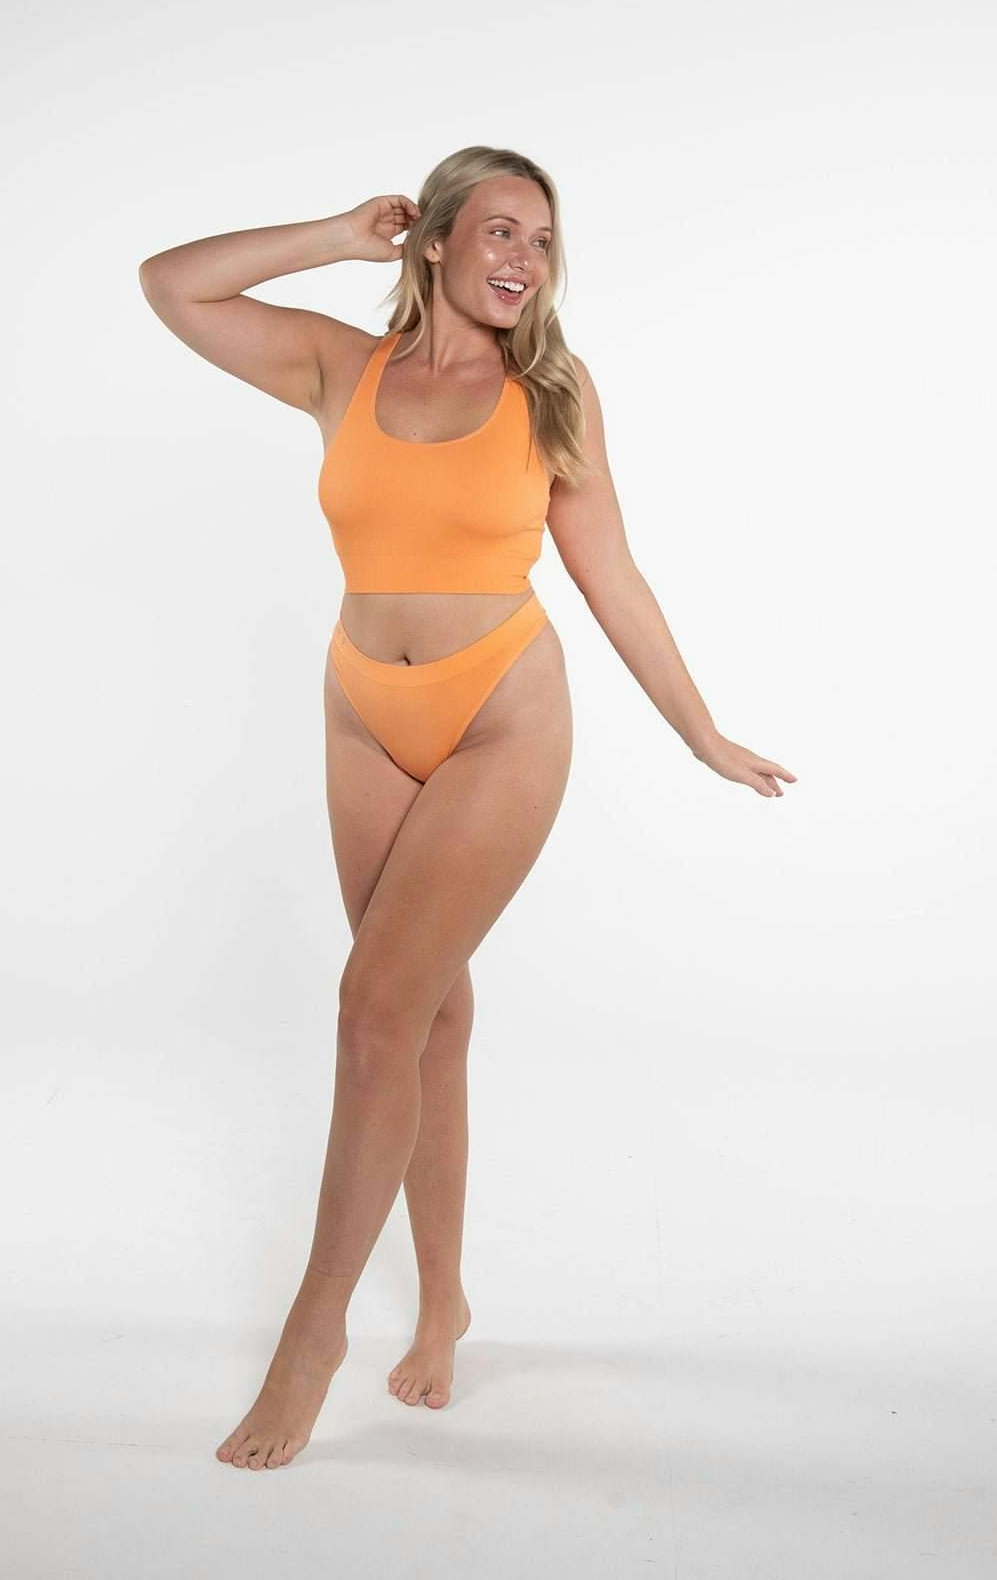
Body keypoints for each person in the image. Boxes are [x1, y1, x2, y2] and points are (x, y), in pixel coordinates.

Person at [138, 145, 797, 1471]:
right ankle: (442, 1304)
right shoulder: (341, 366)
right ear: (434, 238)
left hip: (501, 711)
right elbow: (172, 286)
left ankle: (312, 1337)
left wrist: (701, 730)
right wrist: (337, 235)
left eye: (543, 242)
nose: (525, 261)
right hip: (361, 710)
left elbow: (612, 574)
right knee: (427, 1017)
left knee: (373, 1008)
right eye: (500, 231)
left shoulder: (551, 391)